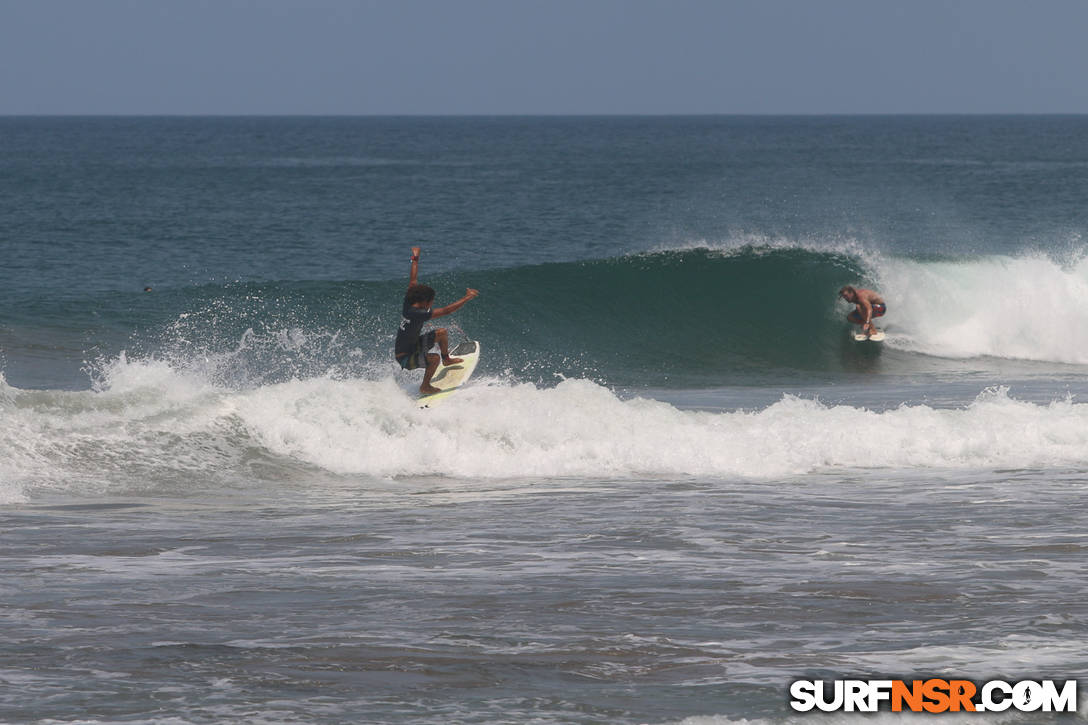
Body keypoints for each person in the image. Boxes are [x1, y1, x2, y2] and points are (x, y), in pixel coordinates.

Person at [395, 246, 479, 394]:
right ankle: (425, 386)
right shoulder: (418, 313)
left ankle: (446, 359)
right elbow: (447, 310)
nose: (432, 304)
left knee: (441, 333)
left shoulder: (409, 300)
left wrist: (415, 258)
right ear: (424, 302)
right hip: (405, 358)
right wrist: (467, 297)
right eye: (431, 301)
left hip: (413, 346)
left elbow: (413, 280)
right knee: (433, 359)